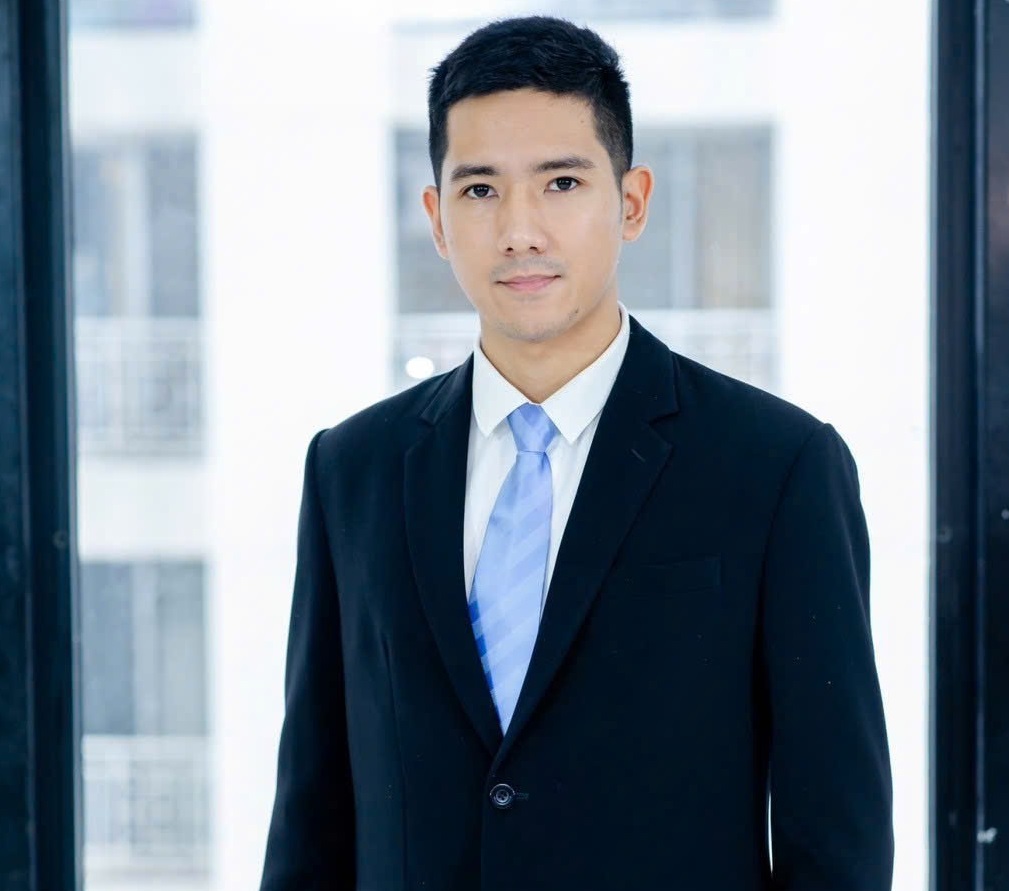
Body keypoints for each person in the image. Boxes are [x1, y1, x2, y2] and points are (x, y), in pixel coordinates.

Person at [259, 15, 893, 891]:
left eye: (560, 182)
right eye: (480, 190)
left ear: (630, 202)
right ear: (436, 218)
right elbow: (312, 817)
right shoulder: (351, 470)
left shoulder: (777, 466)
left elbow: (837, 841)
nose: (519, 230)